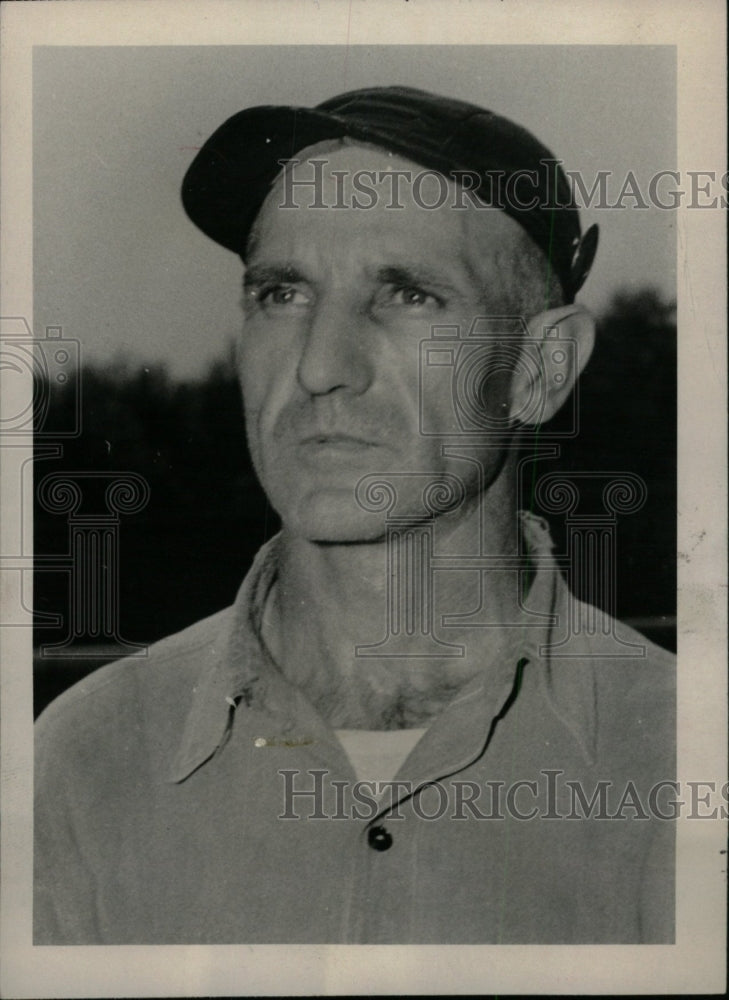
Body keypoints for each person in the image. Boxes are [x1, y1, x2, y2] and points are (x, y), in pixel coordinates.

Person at [34, 86, 675, 944]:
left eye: (406, 294)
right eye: (281, 295)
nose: (318, 367)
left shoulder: (680, 756)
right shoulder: (81, 759)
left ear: (541, 366)